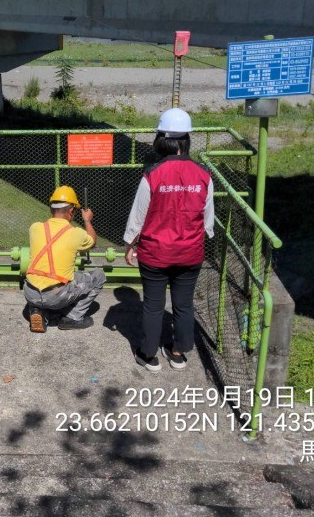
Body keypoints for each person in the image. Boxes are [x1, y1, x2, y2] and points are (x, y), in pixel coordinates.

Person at [123, 108, 214, 372]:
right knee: (183, 305)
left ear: (161, 139)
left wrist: (130, 245)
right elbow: (208, 219)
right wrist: (202, 238)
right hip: (190, 253)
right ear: (186, 139)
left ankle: (148, 354)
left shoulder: (152, 174)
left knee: (152, 306)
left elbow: (138, 216)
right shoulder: (203, 175)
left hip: (155, 253)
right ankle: (178, 353)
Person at [23, 185, 106, 332]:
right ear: (71, 211)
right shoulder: (76, 233)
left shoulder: (34, 227)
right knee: (99, 276)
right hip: (56, 295)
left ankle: (37, 310)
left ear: (51, 209)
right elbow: (92, 241)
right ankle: (73, 317)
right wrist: (87, 220)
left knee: (40, 279)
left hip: (30, 292)